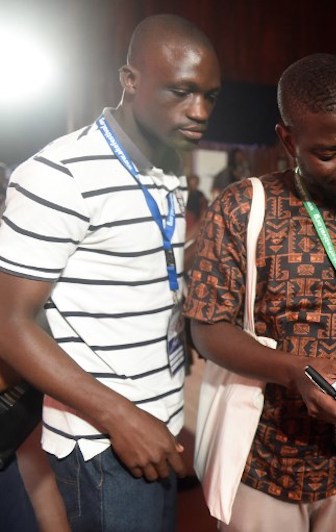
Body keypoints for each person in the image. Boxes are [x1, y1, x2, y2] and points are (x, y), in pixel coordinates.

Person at [0, 14, 221, 531]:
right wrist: (119, 417)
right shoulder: (60, 173)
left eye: (210, 96)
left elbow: (140, 269)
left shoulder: (169, 164)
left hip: (159, 418)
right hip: (103, 436)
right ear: (130, 80)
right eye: (181, 92)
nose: (200, 111)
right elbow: (8, 323)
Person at [184, 53, 336, 531]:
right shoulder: (242, 208)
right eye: (329, 153)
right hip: (267, 454)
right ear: (289, 140)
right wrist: (295, 372)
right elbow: (207, 328)